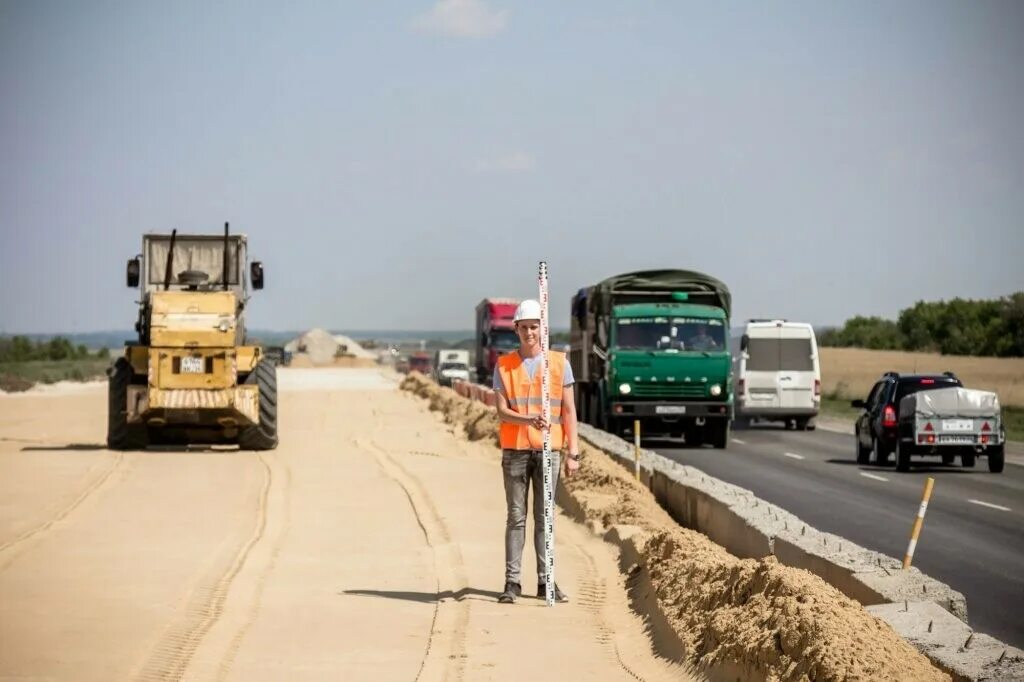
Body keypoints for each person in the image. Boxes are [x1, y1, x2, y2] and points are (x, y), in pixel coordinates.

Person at [493, 299, 580, 604]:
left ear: (542, 329)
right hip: (515, 451)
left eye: (534, 327)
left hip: (550, 452)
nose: (529, 332)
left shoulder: (559, 363)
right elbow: (502, 412)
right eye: (524, 327)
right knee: (516, 517)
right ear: (516, 330)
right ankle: (512, 582)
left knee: (545, 517)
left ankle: (547, 582)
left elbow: (568, 411)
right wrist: (527, 419)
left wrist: (574, 452)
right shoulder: (504, 366)